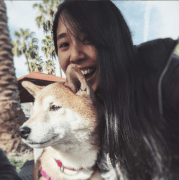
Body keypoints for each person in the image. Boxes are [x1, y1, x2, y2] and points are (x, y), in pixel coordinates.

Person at [53, 1, 179, 180]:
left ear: (114, 38)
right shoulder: (75, 112)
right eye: (64, 44)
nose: (74, 55)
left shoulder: (164, 77)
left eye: (88, 38)